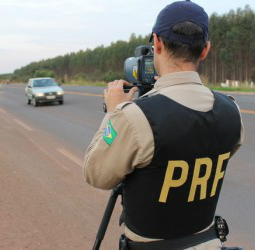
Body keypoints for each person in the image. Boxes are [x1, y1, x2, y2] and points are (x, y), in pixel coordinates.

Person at [83, 1, 244, 249]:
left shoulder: (135, 117)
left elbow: (96, 174)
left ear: (156, 43)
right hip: (209, 241)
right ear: (205, 50)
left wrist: (115, 112)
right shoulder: (231, 110)